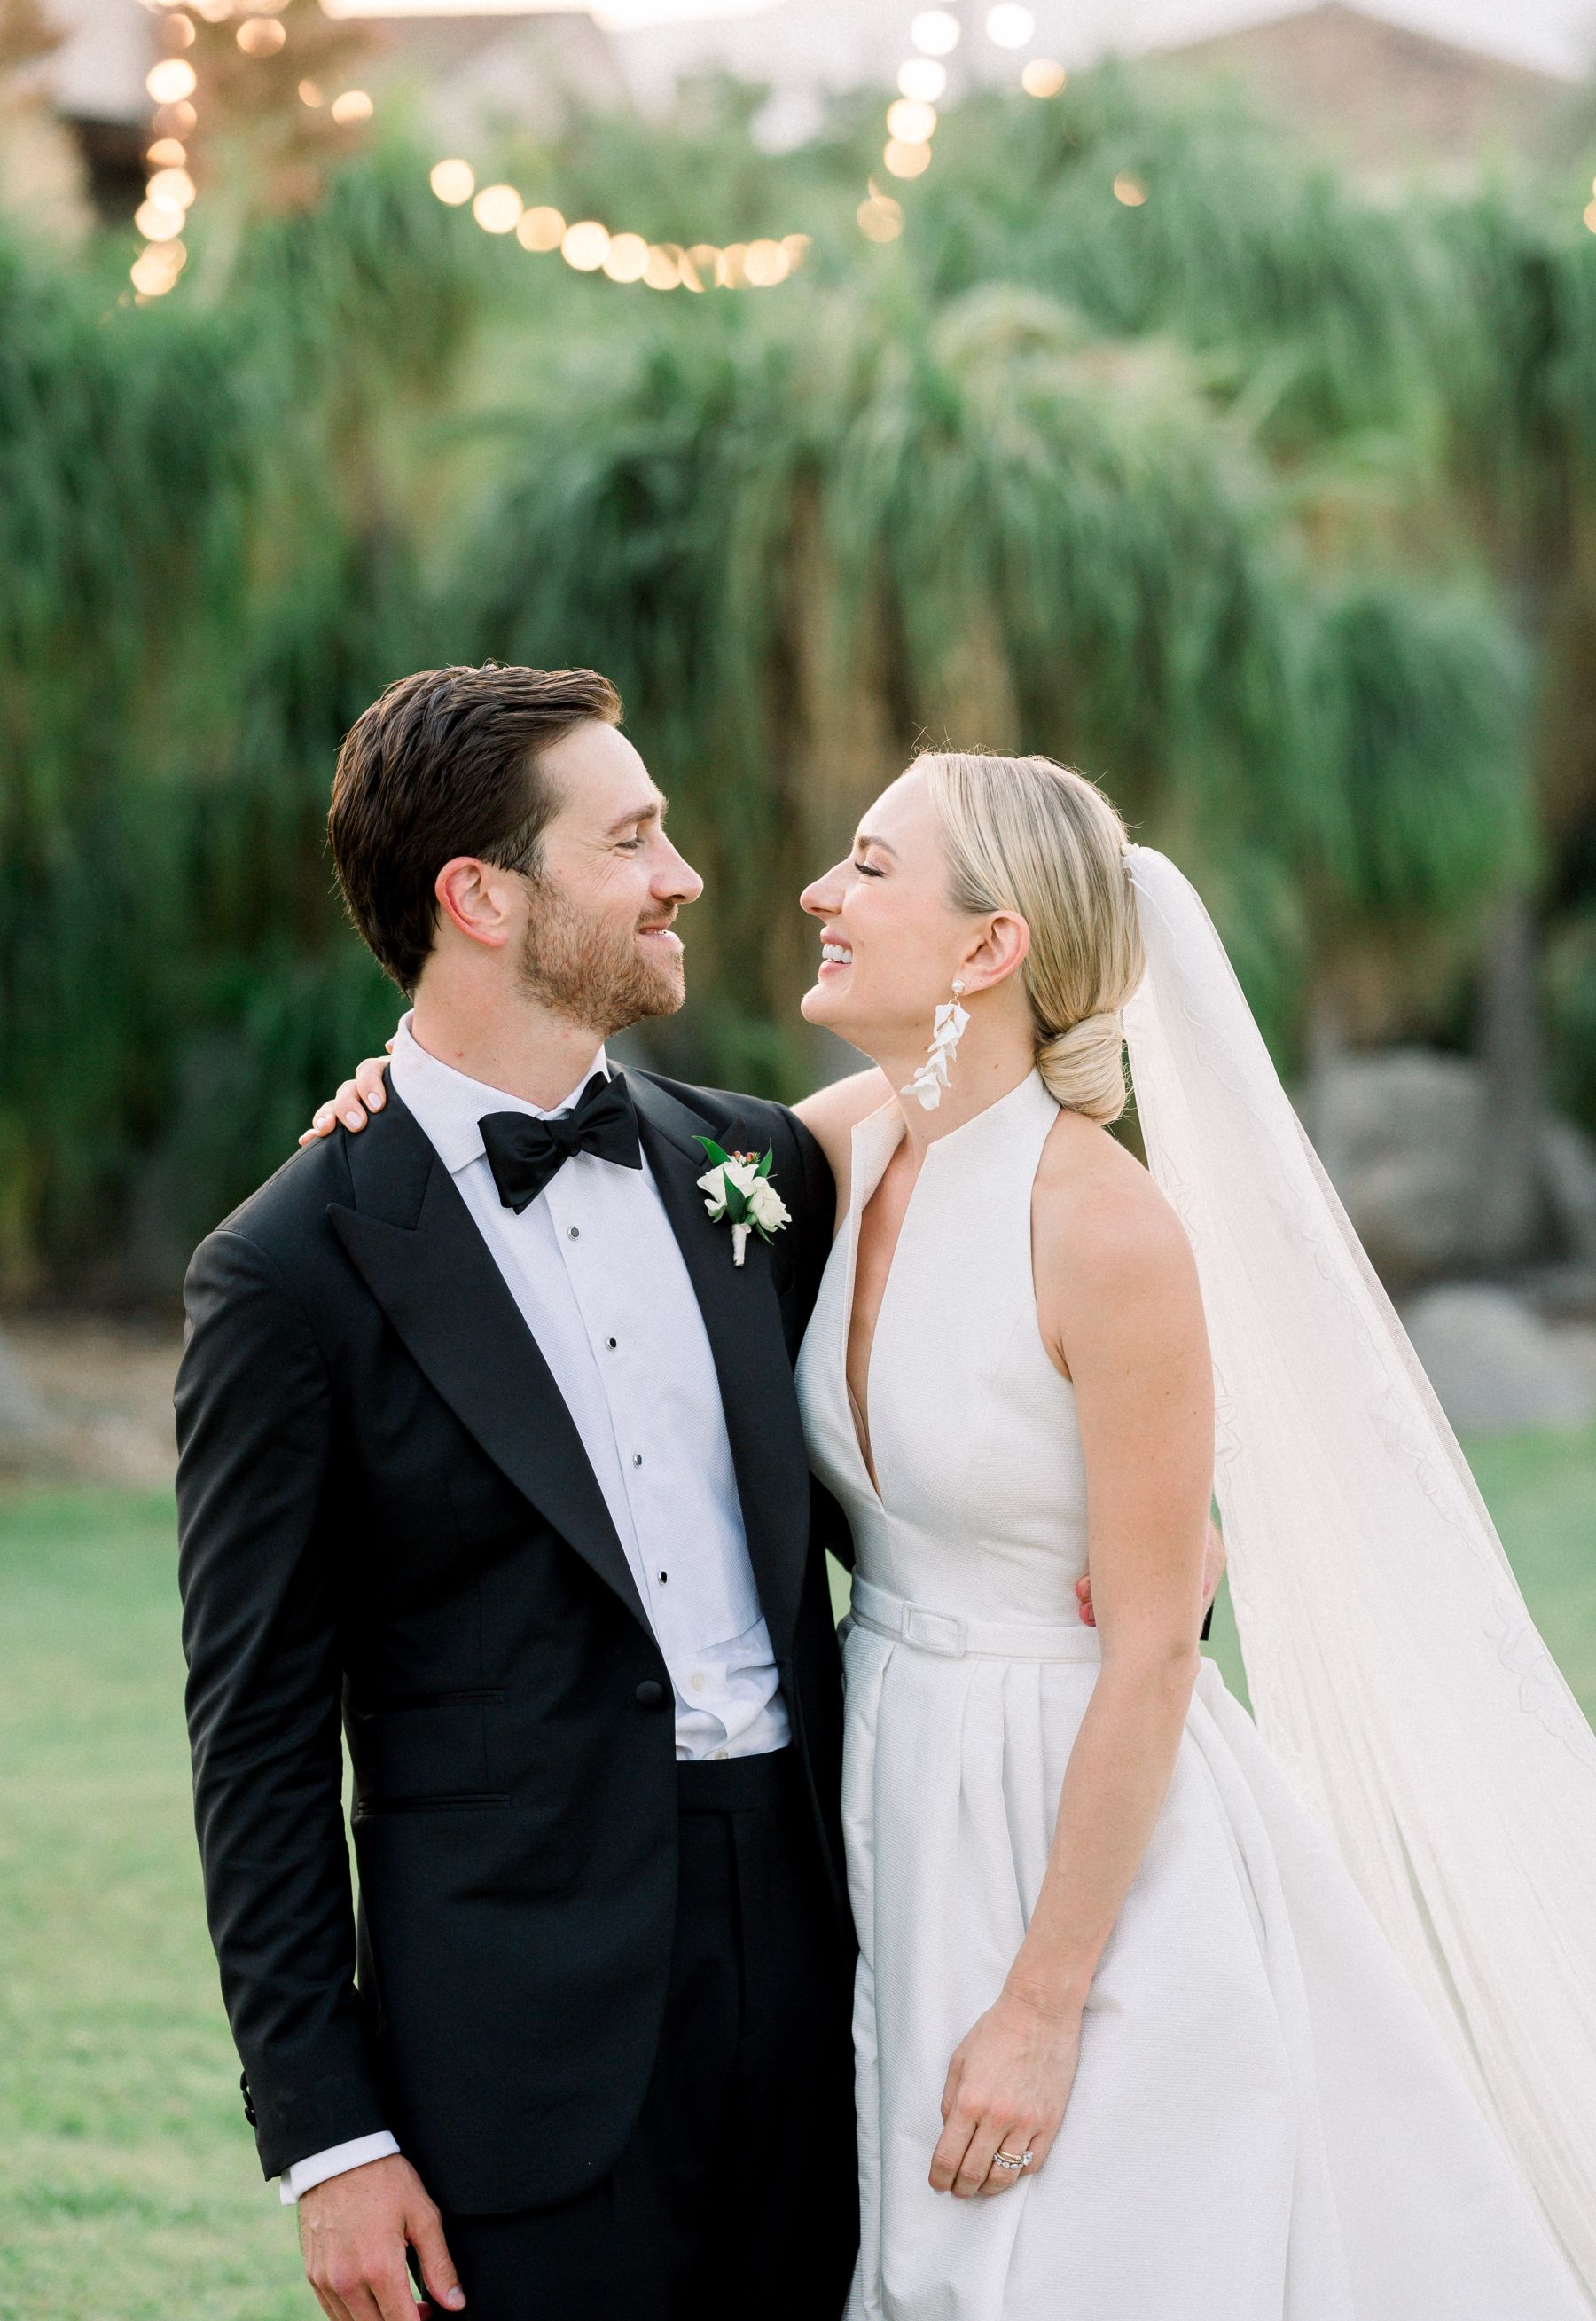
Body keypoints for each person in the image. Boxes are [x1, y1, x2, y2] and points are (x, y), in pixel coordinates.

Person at [320, 743, 1596, 2317]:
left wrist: (1047, 2001)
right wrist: (404, 1097)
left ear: (991, 947)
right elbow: (600, 1157)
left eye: (869, 865)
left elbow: (1150, 1649)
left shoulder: (1105, 1226)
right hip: (881, 1796)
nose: (814, 892)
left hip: (1076, 1820)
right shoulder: (828, 1152)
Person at [176, 665, 877, 2321]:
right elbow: (257, 1735)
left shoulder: (758, 1169)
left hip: (828, 1972)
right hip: (514, 2055)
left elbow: (932, 1430)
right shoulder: (288, 1272)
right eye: (631, 836)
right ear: (480, 897)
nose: (683, 872)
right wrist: (329, 2138)